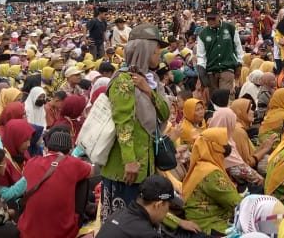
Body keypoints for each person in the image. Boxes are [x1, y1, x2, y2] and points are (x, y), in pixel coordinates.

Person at [99, 25, 171, 220]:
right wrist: (129, 160)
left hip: (145, 165)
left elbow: (165, 113)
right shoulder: (123, 80)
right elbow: (124, 123)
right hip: (125, 168)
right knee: (123, 220)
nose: (159, 56)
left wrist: (149, 91)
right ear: (145, 50)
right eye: (157, 51)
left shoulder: (151, 80)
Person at [18, 127, 93, 238]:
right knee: (83, 181)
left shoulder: (31, 162)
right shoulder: (73, 163)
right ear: (70, 149)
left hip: (28, 231)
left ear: (48, 147)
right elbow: (91, 171)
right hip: (61, 233)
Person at [181, 127, 241, 235]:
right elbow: (236, 203)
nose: (227, 146)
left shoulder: (201, 166)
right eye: (223, 142)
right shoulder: (210, 173)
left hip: (203, 223)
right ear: (213, 146)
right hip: (211, 227)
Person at [96, 174, 186, 238]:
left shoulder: (119, 213)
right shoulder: (147, 234)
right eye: (168, 205)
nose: (167, 211)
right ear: (159, 204)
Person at [196, 7, 244, 97]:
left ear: (219, 16)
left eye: (213, 18)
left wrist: (239, 63)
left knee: (225, 97)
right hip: (211, 71)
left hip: (227, 68)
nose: (210, 21)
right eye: (208, 19)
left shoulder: (230, 29)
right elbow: (201, 56)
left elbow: (238, 47)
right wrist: (202, 72)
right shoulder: (202, 34)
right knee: (214, 99)